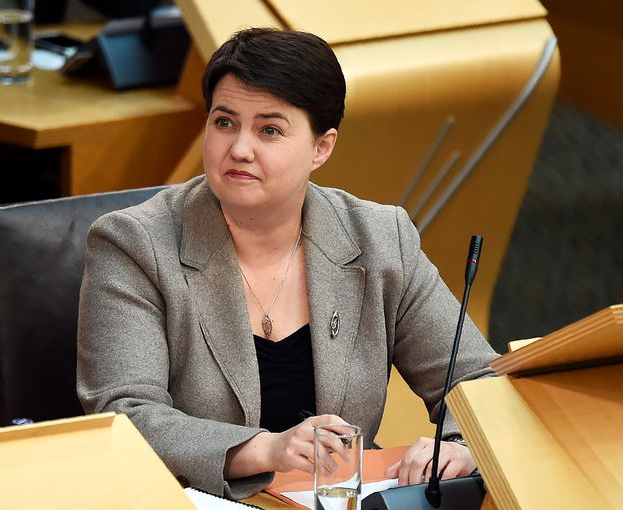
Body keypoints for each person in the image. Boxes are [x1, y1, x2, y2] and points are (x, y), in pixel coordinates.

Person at [77, 27, 498, 499]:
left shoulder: (380, 238)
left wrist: (463, 445)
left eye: (269, 130)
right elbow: (125, 413)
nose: (239, 148)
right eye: (224, 122)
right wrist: (268, 449)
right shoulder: (134, 244)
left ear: (322, 147)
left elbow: (479, 382)